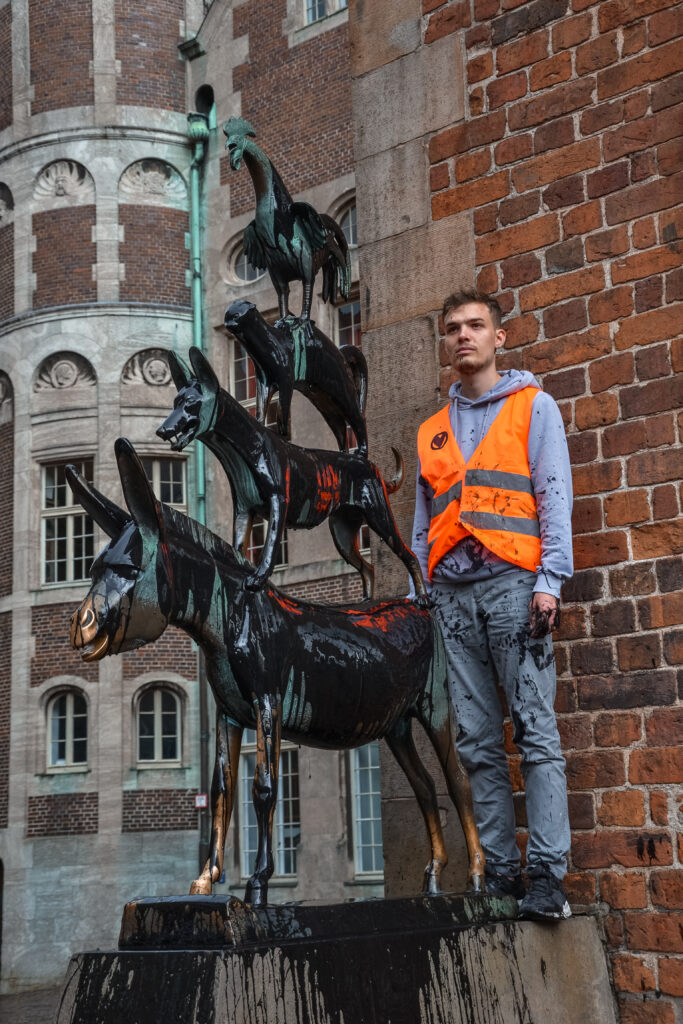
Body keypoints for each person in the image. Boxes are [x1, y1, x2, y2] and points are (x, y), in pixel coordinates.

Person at [412, 288, 573, 921]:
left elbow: (553, 496)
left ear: (498, 337)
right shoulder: (431, 433)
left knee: (535, 730)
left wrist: (549, 584)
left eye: (475, 325)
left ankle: (548, 879)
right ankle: (502, 874)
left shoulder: (534, 409)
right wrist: (423, 595)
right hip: (452, 597)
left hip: (515, 587)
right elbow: (424, 525)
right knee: (477, 741)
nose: (463, 336)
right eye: (452, 328)